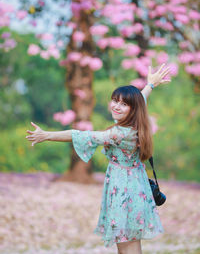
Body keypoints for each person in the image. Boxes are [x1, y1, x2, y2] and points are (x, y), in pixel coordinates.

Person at [26, 63, 170, 254]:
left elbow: (80, 135)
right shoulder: (136, 122)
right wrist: (150, 85)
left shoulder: (120, 133)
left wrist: (47, 135)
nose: (116, 106)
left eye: (123, 104)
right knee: (129, 241)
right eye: (115, 101)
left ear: (132, 109)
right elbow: (140, 100)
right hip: (135, 186)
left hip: (124, 191)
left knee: (127, 243)